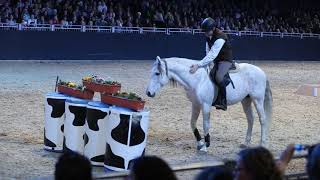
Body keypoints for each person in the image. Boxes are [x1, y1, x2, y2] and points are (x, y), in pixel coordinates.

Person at [189, 17, 233, 111]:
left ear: (213, 29)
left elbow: (212, 55)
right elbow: (208, 51)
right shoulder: (208, 36)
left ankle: (223, 101)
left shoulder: (220, 37)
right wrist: (206, 64)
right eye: (204, 31)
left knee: (218, 77)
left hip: (225, 60)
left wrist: (198, 65)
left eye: (206, 31)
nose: (205, 33)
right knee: (210, 74)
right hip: (217, 60)